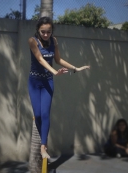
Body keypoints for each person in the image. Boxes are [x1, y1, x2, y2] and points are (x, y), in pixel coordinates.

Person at [28, 16, 90, 159]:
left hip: (47, 82)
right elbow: (40, 59)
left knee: (45, 114)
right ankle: (43, 143)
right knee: (37, 115)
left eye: (48, 32)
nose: (45, 34)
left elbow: (58, 59)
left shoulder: (53, 41)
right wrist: (55, 71)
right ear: (38, 30)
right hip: (34, 82)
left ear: (51, 31)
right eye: (43, 31)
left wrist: (76, 68)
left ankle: (43, 147)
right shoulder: (32, 41)